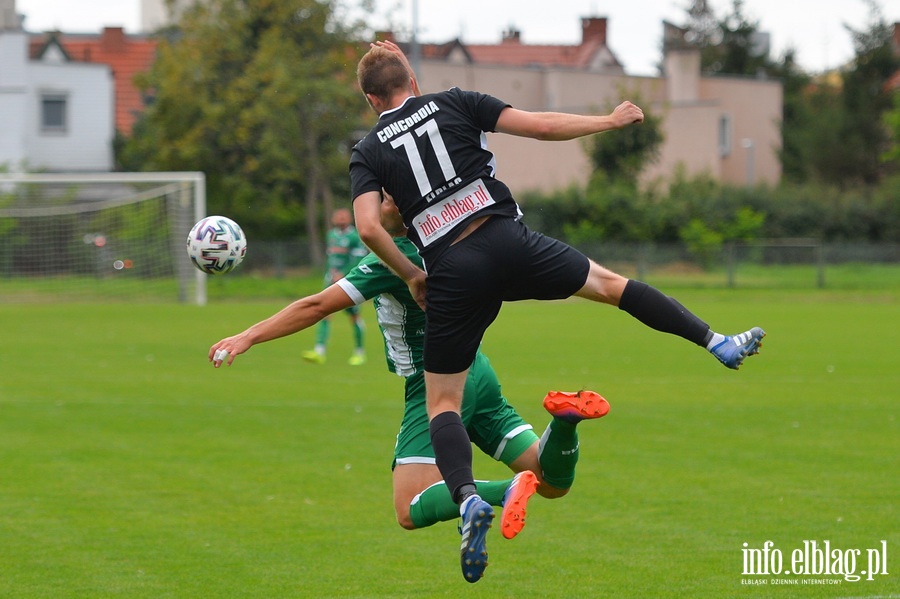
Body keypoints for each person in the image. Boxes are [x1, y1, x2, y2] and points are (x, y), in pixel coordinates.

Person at [349, 44, 766, 579]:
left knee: (443, 403)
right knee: (610, 285)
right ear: (412, 76)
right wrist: (609, 120)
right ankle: (717, 342)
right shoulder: (455, 100)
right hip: (507, 240)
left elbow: (367, 227)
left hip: (452, 268)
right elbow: (541, 126)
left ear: (369, 98)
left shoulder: (368, 149)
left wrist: (411, 275)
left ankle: (469, 498)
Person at [208, 194, 611, 583]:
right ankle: (564, 422)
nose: (374, 204)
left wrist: (248, 336)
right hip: (478, 370)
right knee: (553, 482)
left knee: (408, 508)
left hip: (435, 381)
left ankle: (505, 491)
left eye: (382, 198)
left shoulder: (395, 259)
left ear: (401, 207)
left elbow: (316, 306)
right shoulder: (449, 242)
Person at [302, 208, 368, 366]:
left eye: (344, 217)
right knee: (323, 314)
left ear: (350, 219)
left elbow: (358, 258)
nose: (341, 220)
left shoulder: (355, 236)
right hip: (330, 281)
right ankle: (319, 351)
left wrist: (344, 273)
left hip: (348, 282)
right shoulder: (331, 235)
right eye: (338, 217)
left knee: (354, 316)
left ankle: (359, 352)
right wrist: (328, 275)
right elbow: (331, 259)